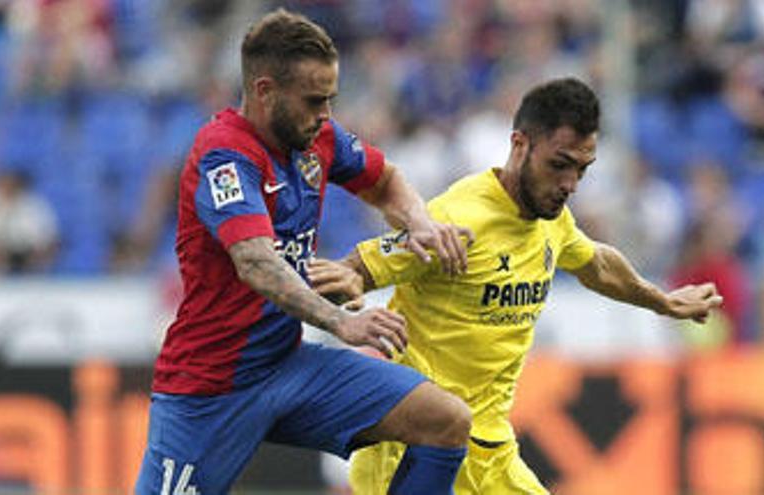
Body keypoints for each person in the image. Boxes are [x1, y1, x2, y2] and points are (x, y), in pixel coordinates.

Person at [308, 77, 724, 494]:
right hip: (415, 444)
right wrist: (339, 282)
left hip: (491, 452)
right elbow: (359, 267)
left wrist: (663, 302)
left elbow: (596, 262)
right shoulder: (458, 217)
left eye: (582, 169)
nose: (570, 185)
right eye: (559, 164)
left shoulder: (551, 219)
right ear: (520, 145)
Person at [135, 9, 476, 495]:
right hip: (209, 387)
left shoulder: (318, 138)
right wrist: (340, 323)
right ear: (264, 91)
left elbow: (386, 181)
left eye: (331, 100)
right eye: (314, 101)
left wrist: (419, 222)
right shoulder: (225, 155)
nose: (326, 115)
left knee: (445, 420)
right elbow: (255, 261)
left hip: (287, 365)